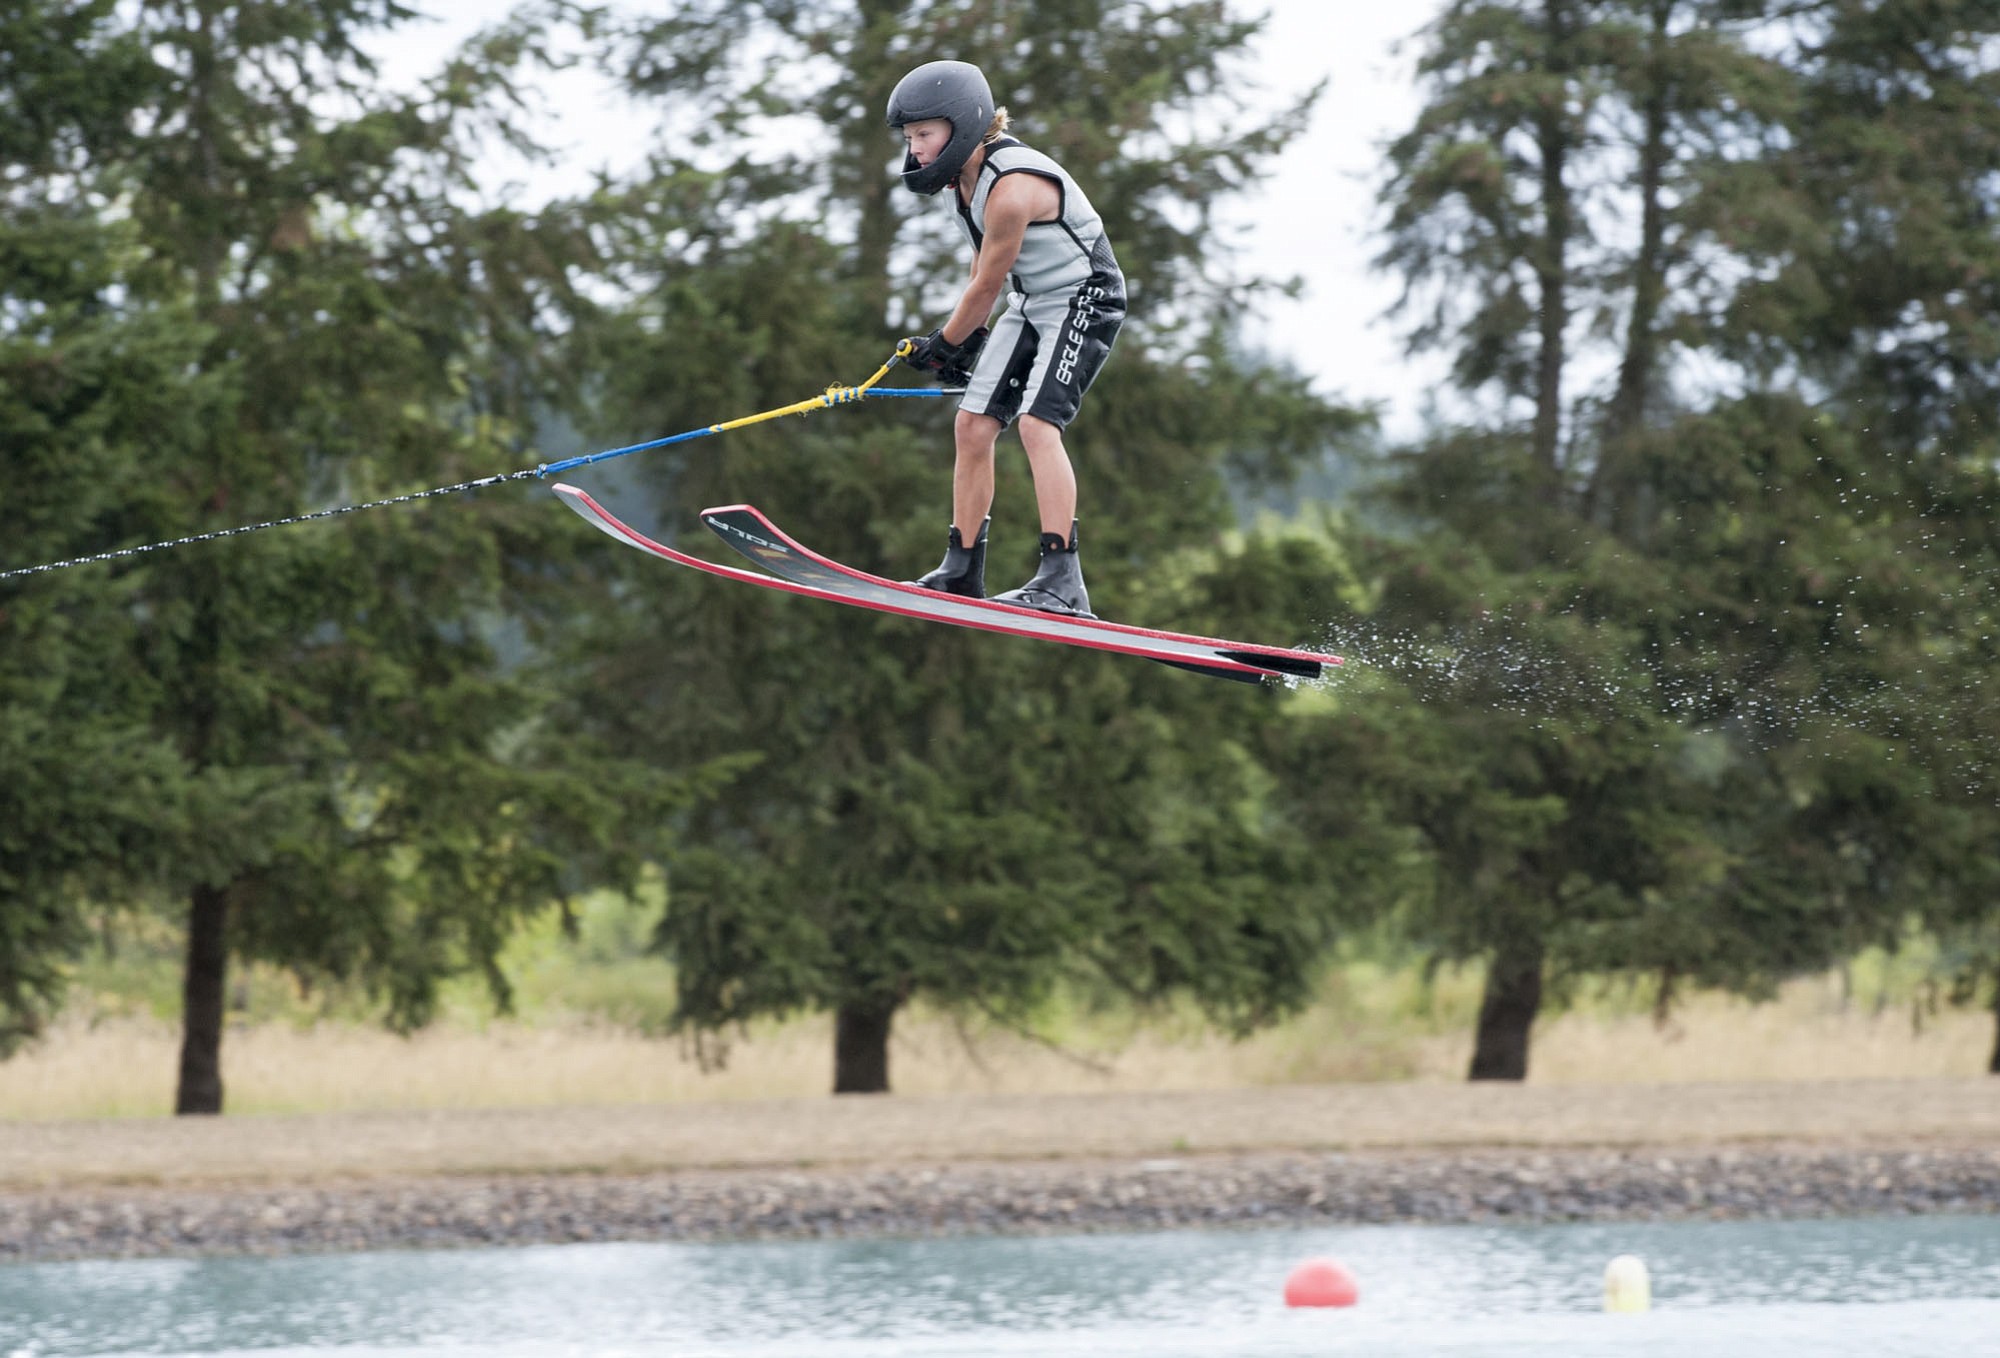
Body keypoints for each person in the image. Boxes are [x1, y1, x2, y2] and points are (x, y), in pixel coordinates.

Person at [887, 59, 1126, 617]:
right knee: (972, 425)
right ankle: (961, 569)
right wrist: (962, 340)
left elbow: (988, 286)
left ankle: (1062, 581)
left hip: (1085, 297)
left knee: (1039, 425)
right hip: (1031, 300)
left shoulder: (1013, 187)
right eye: (909, 136)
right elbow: (983, 268)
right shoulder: (961, 184)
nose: (915, 147)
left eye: (924, 133)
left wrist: (944, 342)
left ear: (964, 124)